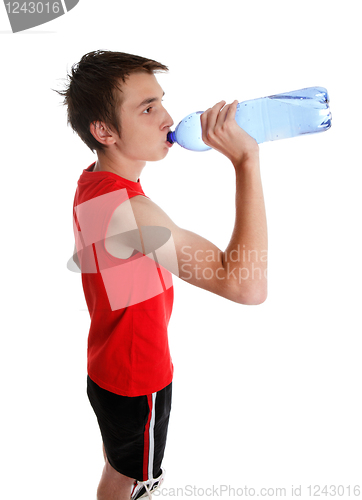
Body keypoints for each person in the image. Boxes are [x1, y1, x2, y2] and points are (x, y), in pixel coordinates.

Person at [58, 50, 268, 500]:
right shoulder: (130, 213)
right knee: (138, 480)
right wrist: (246, 162)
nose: (167, 118)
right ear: (104, 131)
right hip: (138, 380)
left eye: (161, 102)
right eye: (147, 108)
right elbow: (246, 285)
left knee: (120, 467)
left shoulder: (94, 182)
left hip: (107, 366)